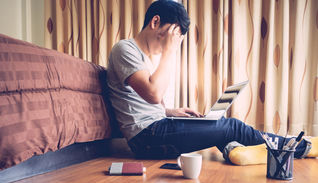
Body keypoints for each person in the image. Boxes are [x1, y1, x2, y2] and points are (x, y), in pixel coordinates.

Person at [106, 0, 318, 165]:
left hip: (157, 127)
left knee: (218, 125)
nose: (173, 44)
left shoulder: (147, 60)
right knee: (230, 126)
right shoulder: (125, 49)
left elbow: (145, 103)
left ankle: (237, 152)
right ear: (155, 22)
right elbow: (152, 93)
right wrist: (170, 52)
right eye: (174, 36)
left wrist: (170, 111)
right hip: (146, 139)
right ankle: (299, 147)